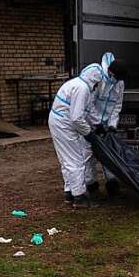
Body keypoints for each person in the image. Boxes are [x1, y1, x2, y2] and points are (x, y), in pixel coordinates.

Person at [48, 64, 105, 207]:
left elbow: (89, 108)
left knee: (67, 160)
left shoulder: (77, 83)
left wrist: (98, 123)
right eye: (97, 83)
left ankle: (69, 193)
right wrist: (89, 133)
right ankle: (79, 197)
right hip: (64, 125)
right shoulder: (83, 89)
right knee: (76, 161)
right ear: (94, 80)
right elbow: (76, 118)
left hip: (60, 122)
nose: (97, 86)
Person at [85, 53, 129, 197]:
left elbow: (117, 105)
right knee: (88, 154)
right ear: (110, 72)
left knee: (109, 153)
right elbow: (89, 103)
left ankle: (111, 182)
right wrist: (96, 124)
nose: (117, 82)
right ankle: (90, 184)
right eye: (116, 78)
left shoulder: (119, 83)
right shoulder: (98, 78)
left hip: (104, 124)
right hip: (90, 123)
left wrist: (111, 125)